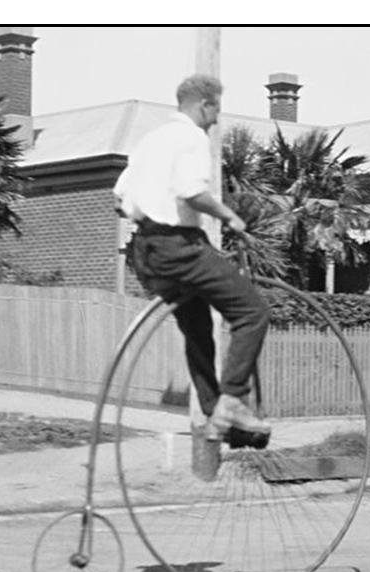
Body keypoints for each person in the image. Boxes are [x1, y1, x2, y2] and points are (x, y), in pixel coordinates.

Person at [113, 74, 271, 441]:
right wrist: (228, 215)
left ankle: (215, 412)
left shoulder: (151, 141)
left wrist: (151, 210)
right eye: (216, 110)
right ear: (205, 104)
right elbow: (190, 191)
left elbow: (119, 199)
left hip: (146, 252)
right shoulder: (191, 137)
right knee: (252, 312)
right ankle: (233, 401)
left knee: (197, 328)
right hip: (178, 247)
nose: (216, 120)